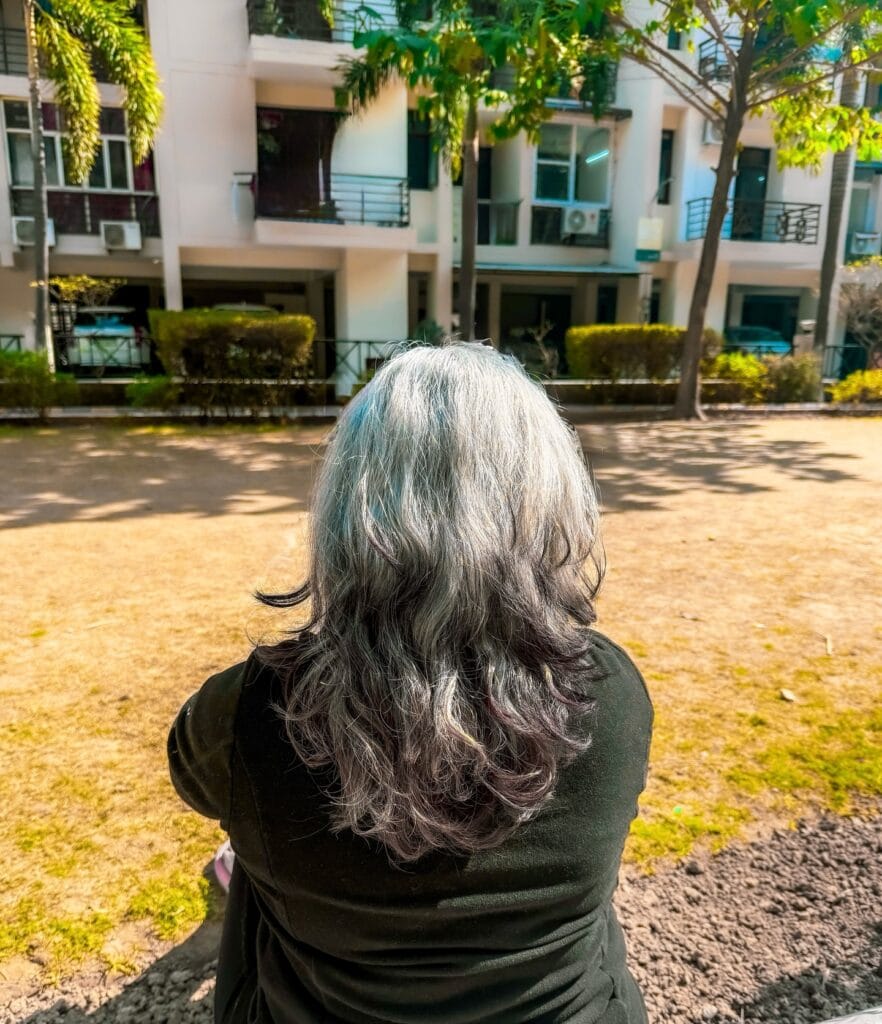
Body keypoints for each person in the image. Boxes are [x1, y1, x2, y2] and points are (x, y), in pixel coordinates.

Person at [168, 341, 653, 1024]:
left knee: (254, 844)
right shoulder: (611, 692)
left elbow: (192, 776)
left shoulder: (253, 711)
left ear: (348, 508)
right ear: (552, 500)